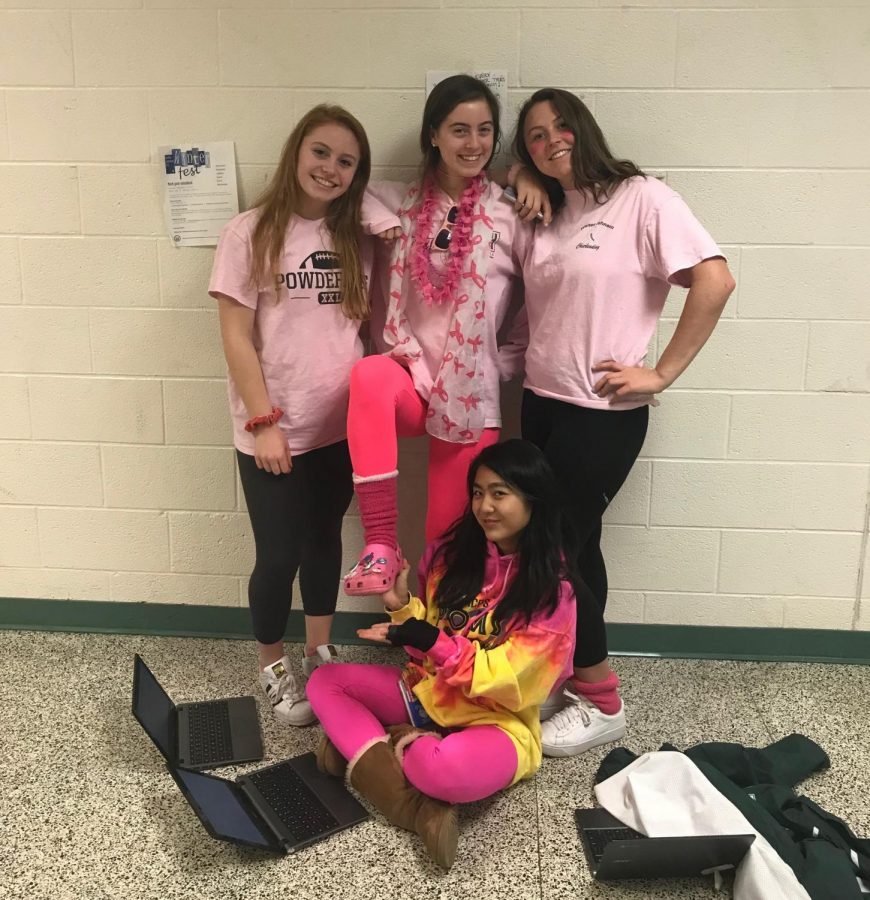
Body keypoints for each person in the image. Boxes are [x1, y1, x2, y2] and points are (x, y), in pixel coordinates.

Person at [508, 88, 736, 756]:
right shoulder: (545, 206)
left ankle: (602, 699)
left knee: (554, 546)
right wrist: (522, 175)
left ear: (584, 128)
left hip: (602, 414)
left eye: (559, 128)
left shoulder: (643, 198)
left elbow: (715, 281)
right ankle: (574, 673)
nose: (551, 141)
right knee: (576, 546)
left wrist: (660, 373)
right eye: (534, 137)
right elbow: (496, 178)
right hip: (542, 403)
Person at [209, 105, 399, 726]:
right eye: (321, 152)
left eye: (347, 161)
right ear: (296, 152)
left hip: (340, 430)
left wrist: (370, 209)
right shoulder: (250, 232)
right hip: (274, 433)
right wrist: (263, 423)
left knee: (324, 545)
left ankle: (318, 649)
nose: (331, 168)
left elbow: (366, 326)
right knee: (278, 555)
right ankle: (272, 665)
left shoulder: (355, 237)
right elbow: (236, 336)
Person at [307, 439, 577, 869]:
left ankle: (373, 744)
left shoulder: (552, 590)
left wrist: (431, 640)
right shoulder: (451, 555)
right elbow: (425, 643)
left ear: (534, 501)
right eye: (477, 492)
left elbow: (514, 682)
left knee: (444, 772)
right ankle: (416, 809)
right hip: (427, 693)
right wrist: (400, 606)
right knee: (325, 681)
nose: (484, 506)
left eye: (499, 493)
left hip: (498, 719)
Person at [341, 74, 540, 596]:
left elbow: (539, 296)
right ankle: (380, 543)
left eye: (484, 131)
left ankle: (431, 657)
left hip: (470, 397)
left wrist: (505, 360)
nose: (473, 144)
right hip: (408, 379)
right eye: (458, 130)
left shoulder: (509, 211)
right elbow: (345, 187)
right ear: (433, 134)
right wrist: (378, 221)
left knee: (446, 541)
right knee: (367, 374)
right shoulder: (397, 202)